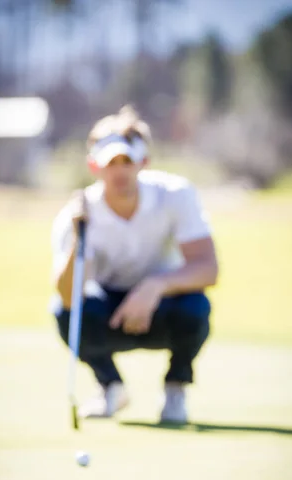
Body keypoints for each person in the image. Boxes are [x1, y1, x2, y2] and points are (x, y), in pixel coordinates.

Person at [50, 105, 218, 424]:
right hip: (110, 309)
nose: (120, 171)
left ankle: (175, 388)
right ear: (94, 166)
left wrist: (155, 285)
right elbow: (69, 296)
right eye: (111, 163)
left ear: (144, 163)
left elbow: (208, 269)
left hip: (165, 304)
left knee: (197, 307)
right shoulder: (76, 214)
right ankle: (111, 387)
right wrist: (78, 237)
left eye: (127, 161)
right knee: (62, 312)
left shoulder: (175, 194)